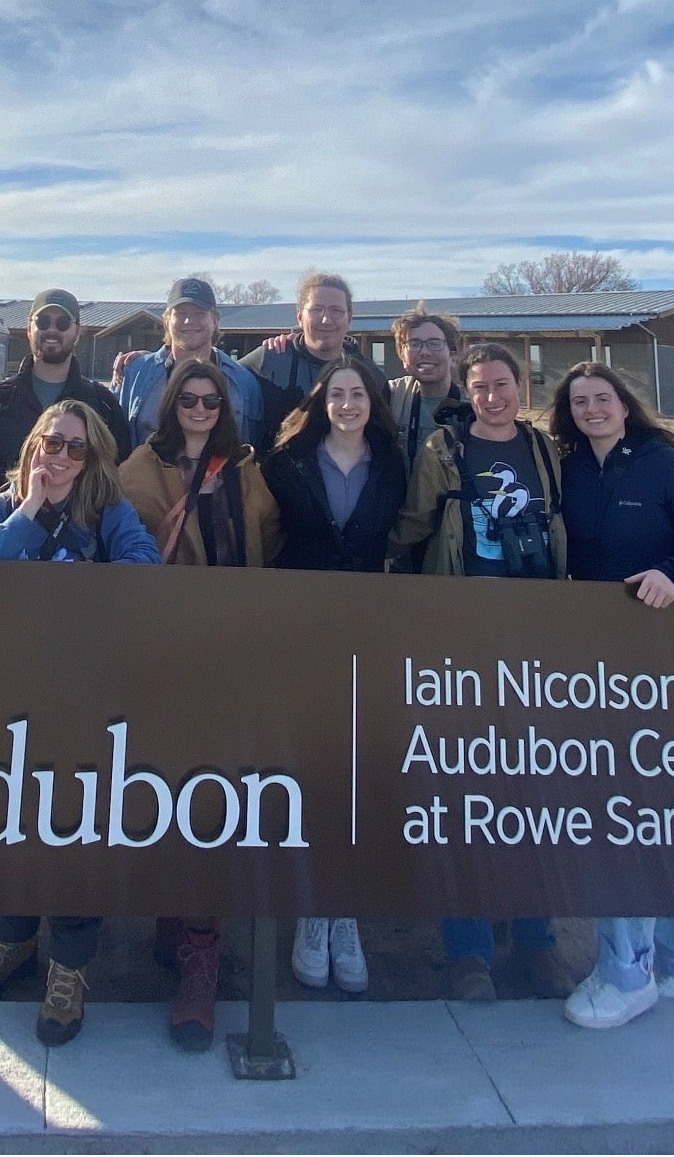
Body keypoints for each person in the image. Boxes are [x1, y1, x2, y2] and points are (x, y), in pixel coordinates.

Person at [550, 361, 674, 1029]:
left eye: (602, 398)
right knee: (637, 812)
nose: (592, 410)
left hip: (664, 668)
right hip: (594, 669)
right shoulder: (567, 471)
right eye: (579, 402)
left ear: (626, 404)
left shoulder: (666, 466)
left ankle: (627, 972)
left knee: (640, 813)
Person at [0, 400, 159, 1046]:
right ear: (34, 444)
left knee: (74, 822)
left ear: (93, 457)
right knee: (10, 815)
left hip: (82, 691)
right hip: (10, 688)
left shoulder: (108, 511)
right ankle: (14, 940)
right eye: (53, 443)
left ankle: (69, 967)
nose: (63, 457)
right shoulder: (0, 507)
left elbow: (144, 564)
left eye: (77, 448)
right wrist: (30, 511)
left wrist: (82, 580)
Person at [388, 342, 573, 1002]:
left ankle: (535, 942)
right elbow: (412, 526)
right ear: (466, 394)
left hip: (534, 634)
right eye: (481, 387)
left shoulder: (546, 451)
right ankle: (467, 951)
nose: (492, 397)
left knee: (533, 791)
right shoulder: (444, 450)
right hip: (460, 632)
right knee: (461, 791)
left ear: (521, 387)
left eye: (502, 384)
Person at [118, 358, 281, 1050]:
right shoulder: (138, 470)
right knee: (163, 785)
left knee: (216, 789)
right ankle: (170, 917)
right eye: (187, 398)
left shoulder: (244, 468)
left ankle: (201, 950)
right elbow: (123, 547)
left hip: (233, 645)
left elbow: (269, 539)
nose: (199, 409)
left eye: (211, 400)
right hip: (162, 648)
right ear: (169, 404)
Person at [261, 356, 406, 993]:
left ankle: (341, 912)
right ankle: (308, 913)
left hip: (367, 631)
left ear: (373, 403)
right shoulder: (286, 462)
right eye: (337, 394)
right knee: (309, 767)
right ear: (322, 403)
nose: (348, 404)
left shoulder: (395, 465)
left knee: (356, 771)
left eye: (358, 394)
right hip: (299, 631)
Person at [0, 288, 130, 547]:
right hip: (5, 550)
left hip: (81, 552)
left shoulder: (102, 404)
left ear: (77, 331)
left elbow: (118, 480)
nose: (52, 330)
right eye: (43, 322)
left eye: (62, 323)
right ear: (29, 328)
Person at [240, 272, 389, 450]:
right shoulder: (269, 361)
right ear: (299, 316)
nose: (326, 320)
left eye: (336, 310)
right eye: (316, 309)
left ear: (349, 318)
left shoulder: (372, 377)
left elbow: (383, 443)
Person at [115, 276, 264, 448]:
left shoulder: (243, 381)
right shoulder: (134, 373)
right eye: (180, 313)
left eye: (199, 313)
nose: (189, 321)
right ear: (166, 321)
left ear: (215, 320)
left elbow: (253, 446)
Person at [388, 303, 468, 475]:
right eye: (414, 344)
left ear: (453, 357)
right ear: (403, 358)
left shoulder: (472, 405)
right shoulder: (390, 396)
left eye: (435, 343)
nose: (425, 352)